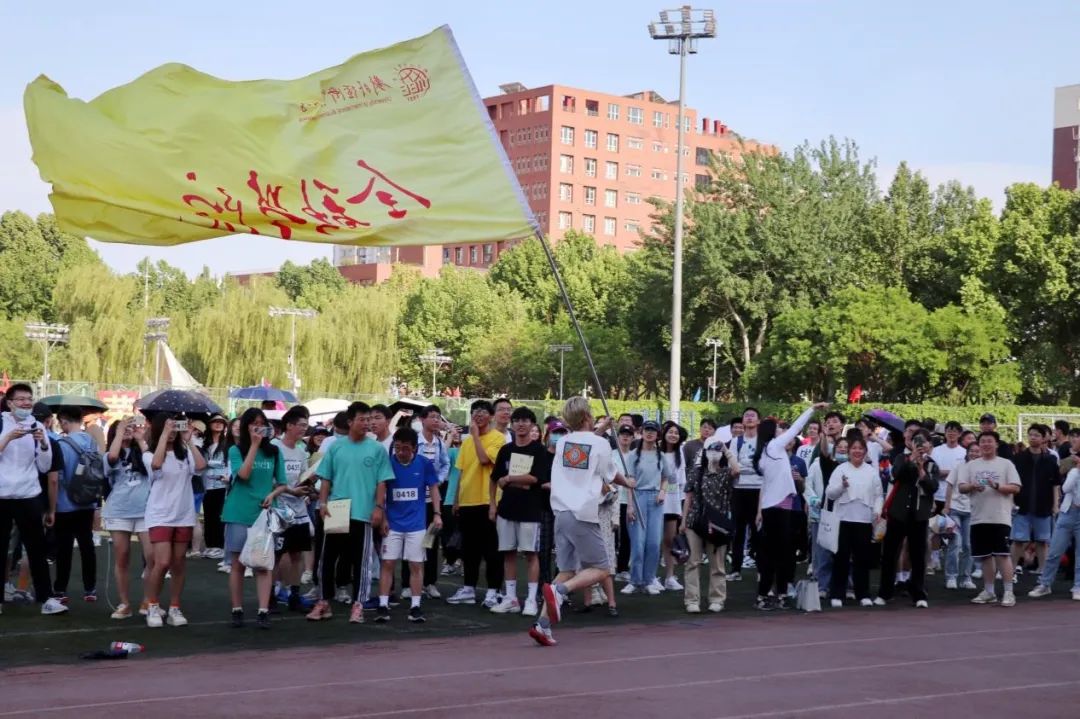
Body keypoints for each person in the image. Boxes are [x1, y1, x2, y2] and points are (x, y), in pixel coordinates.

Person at [528, 397, 632, 647]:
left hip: (561, 513)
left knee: (567, 571)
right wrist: (629, 482)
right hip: (583, 512)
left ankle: (542, 624)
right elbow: (610, 474)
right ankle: (561, 592)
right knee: (602, 568)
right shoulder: (600, 443)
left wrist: (601, 429)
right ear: (587, 416)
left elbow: (585, 446)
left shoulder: (564, 441)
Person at [307, 402, 394, 624]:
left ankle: (358, 605)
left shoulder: (377, 449)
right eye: (362, 419)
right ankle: (324, 602)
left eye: (369, 419)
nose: (367, 423)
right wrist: (323, 503)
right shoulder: (336, 447)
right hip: (336, 510)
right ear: (350, 421)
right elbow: (326, 478)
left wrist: (379, 508)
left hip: (363, 512)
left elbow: (382, 481)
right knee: (327, 559)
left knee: (361, 562)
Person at [753, 403, 829, 610]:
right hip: (778, 509)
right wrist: (812, 409)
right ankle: (773, 594)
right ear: (771, 432)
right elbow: (796, 428)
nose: (782, 431)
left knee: (777, 553)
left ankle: (773, 594)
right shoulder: (774, 447)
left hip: (778, 508)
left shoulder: (766, 453)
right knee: (779, 554)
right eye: (778, 428)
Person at [0, 385, 67, 616]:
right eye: (20, 399)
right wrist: (8, 437)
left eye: (29, 399)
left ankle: (46, 598)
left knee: (37, 548)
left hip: (28, 494)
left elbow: (45, 466)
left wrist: (44, 444)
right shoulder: (1, 423)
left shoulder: (37, 426)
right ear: (10, 403)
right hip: (2, 494)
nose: (26, 403)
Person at [223, 408, 288, 629]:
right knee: (237, 564)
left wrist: (272, 494)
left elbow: (282, 483)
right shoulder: (235, 450)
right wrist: (253, 446)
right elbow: (243, 475)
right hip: (239, 512)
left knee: (263, 564)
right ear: (245, 426)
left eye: (261, 423)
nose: (258, 427)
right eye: (253, 423)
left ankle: (263, 611)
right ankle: (237, 609)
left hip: (264, 514)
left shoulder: (274, 452)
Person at [144, 414, 206, 628]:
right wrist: (164, 435)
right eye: (167, 427)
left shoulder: (185, 453)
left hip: (183, 514)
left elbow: (201, 466)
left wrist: (189, 441)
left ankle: (174, 607)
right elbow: (156, 464)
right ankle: (152, 605)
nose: (172, 431)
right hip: (160, 515)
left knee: (179, 563)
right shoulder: (149, 453)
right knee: (162, 562)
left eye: (174, 427)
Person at [489, 407, 551, 616]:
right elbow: (494, 478)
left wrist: (510, 479)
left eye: (525, 420)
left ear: (532, 424)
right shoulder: (505, 450)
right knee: (508, 552)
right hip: (507, 509)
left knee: (531, 554)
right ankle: (511, 598)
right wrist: (492, 505)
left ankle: (531, 599)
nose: (521, 424)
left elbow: (535, 478)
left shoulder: (539, 450)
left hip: (531, 510)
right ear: (512, 424)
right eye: (517, 420)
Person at [375, 427, 442, 623]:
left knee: (416, 565)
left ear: (414, 448)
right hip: (393, 524)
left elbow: (434, 488)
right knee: (387, 563)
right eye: (397, 448)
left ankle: (415, 606)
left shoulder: (424, 464)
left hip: (416, 525)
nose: (401, 452)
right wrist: (383, 518)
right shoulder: (387, 464)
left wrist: (437, 513)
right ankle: (383, 605)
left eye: (405, 448)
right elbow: (381, 492)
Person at [446, 400, 506, 608]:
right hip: (467, 502)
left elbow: (484, 460)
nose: (478, 415)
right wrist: (456, 500)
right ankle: (468, 589)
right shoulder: (467, 442)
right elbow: (462, 472)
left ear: (491, 416)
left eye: (482, 411)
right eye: (475, 411)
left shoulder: (498, 438)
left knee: (492, 549)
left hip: (488, 501)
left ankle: (493, 591)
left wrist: (476, 437)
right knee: (469, 550)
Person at [876, 429, 938, 608]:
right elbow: (896, 474)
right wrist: (912, 459)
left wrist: (921, 470)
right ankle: (885, 592)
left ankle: (918, 594)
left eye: (924, 442)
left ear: (929, 444)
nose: (920, 445)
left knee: (918, 556)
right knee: (890, 554)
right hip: (898, 513)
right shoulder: (901, 458)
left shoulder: (931, 464)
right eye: (916, 441)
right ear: (910, 443)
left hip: (919, 515)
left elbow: (932, 487)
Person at [959, 431, 1022, 606]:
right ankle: (989, 591)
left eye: (989, 441)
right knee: (985, 556)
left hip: (1000, 516)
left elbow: (1016, 488)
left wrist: (997, 486)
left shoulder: (1006, 464)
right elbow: (962, 487)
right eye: (983, 441)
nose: (986, 444)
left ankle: (1008, 592)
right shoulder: (971, 465)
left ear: (996, 444)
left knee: (1002, 554)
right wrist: (973, 486)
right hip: (978, 517)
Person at [682, 436, 739, 613]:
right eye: (711, 449)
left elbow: (737, 470)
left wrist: (726, 451)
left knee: (718, 564)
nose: (714, 453)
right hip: (695, 520)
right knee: (693, 562)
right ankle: (692, 600)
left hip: (718, 523)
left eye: (717, 450)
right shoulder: (696, 472)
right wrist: (683, 522)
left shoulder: (725, 473)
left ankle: (717, 599)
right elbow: (688, 497)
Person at [103, 418, 153, 619]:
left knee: (152, 557)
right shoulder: (109, 454)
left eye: (130, 428)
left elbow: (154, 463)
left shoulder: (143, 451)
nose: (127, 431)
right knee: (122, 557)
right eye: (123, 428)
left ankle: (149, 600)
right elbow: (113, 456)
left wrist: (140, 439)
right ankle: (124, 603)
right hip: (119, 510)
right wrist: (120, 431)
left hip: (146, 510)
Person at [824, 436, 883, 608]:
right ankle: (837, 593)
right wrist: (842, 486)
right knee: (841, 558)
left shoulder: (871, 471)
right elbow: (830, 493)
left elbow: (878, 495)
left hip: (864, 520)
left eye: (860, 448)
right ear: (849, 451)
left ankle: (863, 594)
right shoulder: (840, 469)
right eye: (854, 448)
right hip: (843, 519)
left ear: (865, 451)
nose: (857, 451)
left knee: (862, 559)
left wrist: (877, 511)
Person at [51, 406, 100, 604]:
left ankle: (61, 589)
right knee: (87, 544)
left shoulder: (61, 444)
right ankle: (90, 588)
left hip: (65, 503)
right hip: (87, 501)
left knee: (64, 548)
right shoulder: (91, 442)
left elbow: (57, 477)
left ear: (63, 420)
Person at [272, 406, 314, 613]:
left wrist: (309, 488)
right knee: (277, 555)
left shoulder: (301, 451)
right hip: (278, 510)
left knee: (297, 554)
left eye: (306, 425)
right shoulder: (274, 448)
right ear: (288, 425)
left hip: (299, 511)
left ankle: (294, 595)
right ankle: (270, 595)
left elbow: (303, 477)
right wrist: (290, 490)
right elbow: (268, 480)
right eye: (301, 425)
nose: (304, 429)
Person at [1029, 439, 1080, 600]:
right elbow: (1065, 488)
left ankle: (1078, 587)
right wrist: (1076, 472)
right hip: (1067, 513)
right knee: (1054, 551)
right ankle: (1045, 583)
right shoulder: (1073, 470)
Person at [623, 420, 670, 595]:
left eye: (653, 431)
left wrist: (662, 491)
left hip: (656, 500)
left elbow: (666, 477)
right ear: (642, 432)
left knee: (653, 543)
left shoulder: (661, 456)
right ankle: (635, 580)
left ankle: (649, 580)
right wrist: (630, 506)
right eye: (647, 430)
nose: (650, 433)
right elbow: (629, 482)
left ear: (658, 435)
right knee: (638, 542)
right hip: (638, 497)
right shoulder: (633, 455)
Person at [408, 405, 450, 599]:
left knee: (431, 541)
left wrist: (437, 480)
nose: (436, 420)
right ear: (422, 419)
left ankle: (430, 582)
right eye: (432, 417)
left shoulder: (440, 443)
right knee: (411, 541)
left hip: (432, 500)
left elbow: (445, 464)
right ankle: (408, 584)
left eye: (438, 417)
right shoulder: (414, 441)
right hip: (414, 499)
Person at [1011, 424, 1058, 577]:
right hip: (1022, 505)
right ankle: (1010, 570)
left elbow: (1055, 484)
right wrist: (1012, 501)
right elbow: (1012, 482)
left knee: (1042, 540)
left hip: (1043, 505)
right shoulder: (1019, 458)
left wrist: (1055, 505)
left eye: (1037, 435)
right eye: (1030, 434)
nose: (1033, 438)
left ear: (1044, 438)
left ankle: (1043, 572)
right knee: (1018, 540)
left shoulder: (1050, 459)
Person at [943, 442, 979, 591]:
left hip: (973, 510)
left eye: (977, 451)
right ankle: (951, 576)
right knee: (955, 543)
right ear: (967, 452)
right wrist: (947, 505)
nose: (974, 453)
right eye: (972, 451)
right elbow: (950, 485)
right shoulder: (959, 466)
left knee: (969, 545)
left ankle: (966, 577)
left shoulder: (982, 469)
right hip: (955, 508)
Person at [659, 421, 688, 591]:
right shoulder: (657, 452)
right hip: (655, 501)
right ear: (664, 434)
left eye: (676, 433)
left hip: (672, 503)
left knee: (670, 540)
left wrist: (681, 507)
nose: (673, 435)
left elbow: (681, 483)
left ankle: (670, 577)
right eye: (670, 432)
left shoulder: (680, 454)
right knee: (652, 542)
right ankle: (648, 577)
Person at [200, 414, 230, 564]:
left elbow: (228, 464)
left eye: (221, 422)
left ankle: (219, 545)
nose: (218, 424)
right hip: (206, 484)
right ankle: (210, 545)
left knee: (219, 515)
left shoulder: (227, 444)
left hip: (221, 484)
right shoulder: (203, 443)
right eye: (215, 422)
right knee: (208, 515)